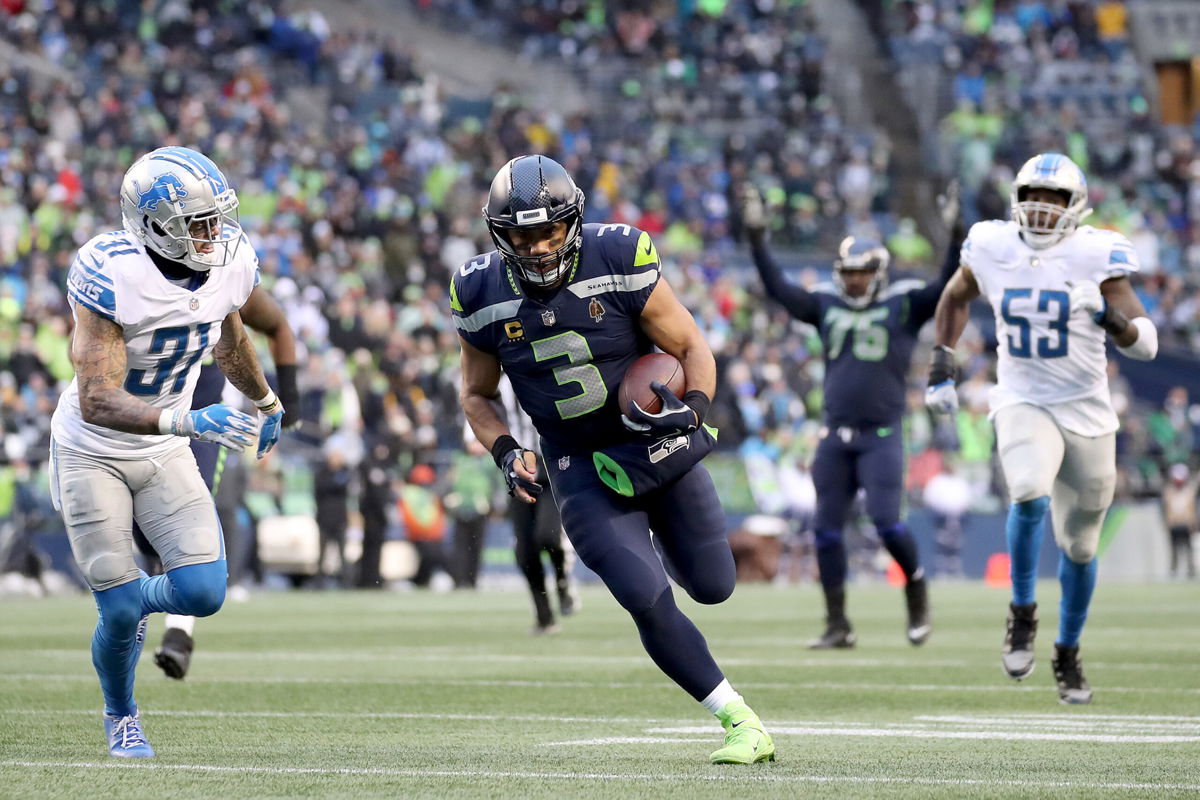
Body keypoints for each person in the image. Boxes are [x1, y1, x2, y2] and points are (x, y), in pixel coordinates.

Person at [454, 155, 774, 765]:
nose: (540, 246)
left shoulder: (619, 256)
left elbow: (688, 345)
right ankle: (739, 720)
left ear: (572, 220)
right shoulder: (478, 290)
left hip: (652, 440)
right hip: (577, 463)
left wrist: (695, 412)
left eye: (549, 230)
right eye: (523, 234)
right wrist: (505, 450)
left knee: (713, 585)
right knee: (643, 594)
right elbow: (475, 392)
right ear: (500, 234)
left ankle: (672, 550)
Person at [49, 146, 284, 757]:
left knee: (204, 593)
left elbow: (231, 340)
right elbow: (98, 397)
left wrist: (265, 401)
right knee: (121, 614)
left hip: (165, 445)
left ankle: (129, 599)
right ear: (153, 225)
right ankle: (120, 714)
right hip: (93, 449)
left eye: (216, 218)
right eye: (197, 223)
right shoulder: (111, 270)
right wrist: (188, 417)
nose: (213, 234)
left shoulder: (230, 259)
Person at [925, 152, 1159, 704]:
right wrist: (942, 364)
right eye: (1032, 195)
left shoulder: (1096, 252)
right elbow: (956, 295)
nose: (1041, 207)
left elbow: (1146, 343)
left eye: (1053, 198)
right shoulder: (992, 244)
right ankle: (1022, 611)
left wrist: (1105, 315)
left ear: (1075, 206)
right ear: (1016, 199)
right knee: (1027, 493)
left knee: (1079, 545)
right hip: (1023, 396)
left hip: (1087, 409)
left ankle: (1068, 651)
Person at [737, 182, 963, 648]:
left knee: (887, 522)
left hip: (881, 433)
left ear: (878, 272)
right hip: (834, 435)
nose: (854, 281)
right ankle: (838, 624)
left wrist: (956, 232)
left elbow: (946, 284)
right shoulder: (827, 305)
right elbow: (779, 289)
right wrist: (758, 239)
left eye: (862, 273)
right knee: (824, 532)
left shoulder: (903, 304)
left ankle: (916, 589)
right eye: (849, 273)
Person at [139, 286, 300, 680]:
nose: (208, 237)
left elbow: (278, 326)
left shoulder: (226, 276)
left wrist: (287, 403)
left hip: (206, 418)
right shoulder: (137, 275)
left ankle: (178, 635)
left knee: (187, 522)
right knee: (146, 535)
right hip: (144, 415)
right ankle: (142, 603)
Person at [498, 374, 579, 634]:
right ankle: (544, 616)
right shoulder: (497, 383)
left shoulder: (543, 370)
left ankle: (563, 579)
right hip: (516, 468)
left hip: (551, 463)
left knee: (548, 534)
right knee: (525, 551)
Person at [1161, 463, 1198, 580]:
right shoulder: (1169, 491)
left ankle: (1191, 570)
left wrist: (1193, 522)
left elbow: (1191, 509)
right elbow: (1167, 509)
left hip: (1186, 524)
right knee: (1174, 549)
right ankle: (1173, 570)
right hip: (1174, 524)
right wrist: (1168, 522)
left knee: (1188, 548)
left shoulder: (1189, 491)